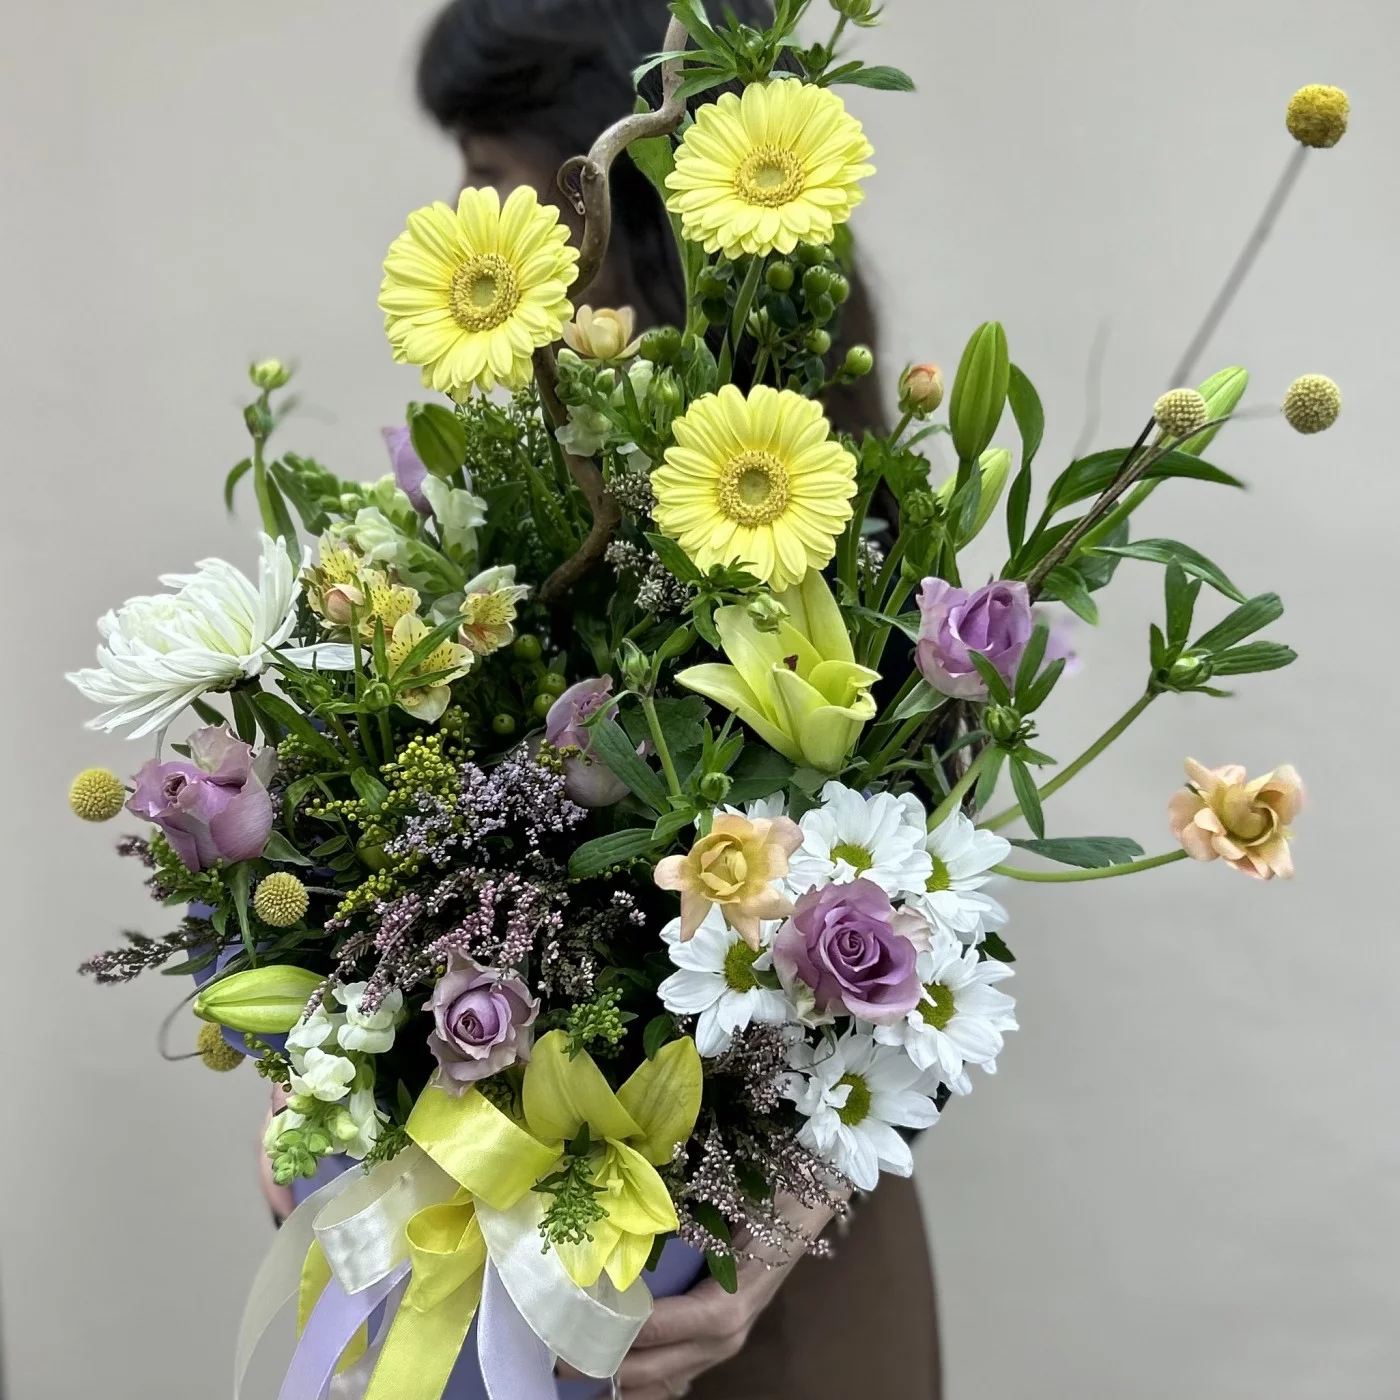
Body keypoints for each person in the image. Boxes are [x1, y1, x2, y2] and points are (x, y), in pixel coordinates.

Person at [263, 2, 942, 1396]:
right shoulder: (506, 492)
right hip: (488, 1255)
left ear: (617, 176)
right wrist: (326, 1090)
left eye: (488, 165)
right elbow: (376, 849)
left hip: (756, 1294)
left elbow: (939, 923)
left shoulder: (822, 506)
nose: (475, 216)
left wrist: (774, 1228)